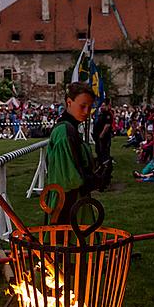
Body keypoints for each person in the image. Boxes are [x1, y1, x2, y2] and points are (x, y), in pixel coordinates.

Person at [45, 82, 110, 223]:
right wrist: (95, 181)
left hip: (76, 199)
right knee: (66, 242)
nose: (86, 112)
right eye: (82, 106)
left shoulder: (71, 129)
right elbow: (68, 178)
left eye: (90, 107)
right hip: (67, 202)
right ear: (69, 102)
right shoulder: (64, 132)